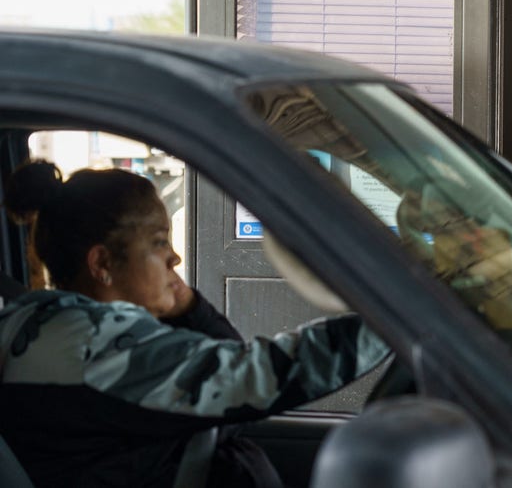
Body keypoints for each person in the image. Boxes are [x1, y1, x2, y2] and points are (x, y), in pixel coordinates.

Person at [0, 161, 390, 487]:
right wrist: (393, 316)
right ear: (102, 263)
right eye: (157, 242)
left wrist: (183, 302)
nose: (174, 258)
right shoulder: (102, 346)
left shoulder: (34, 323)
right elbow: (258, 376)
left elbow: (226, 391)